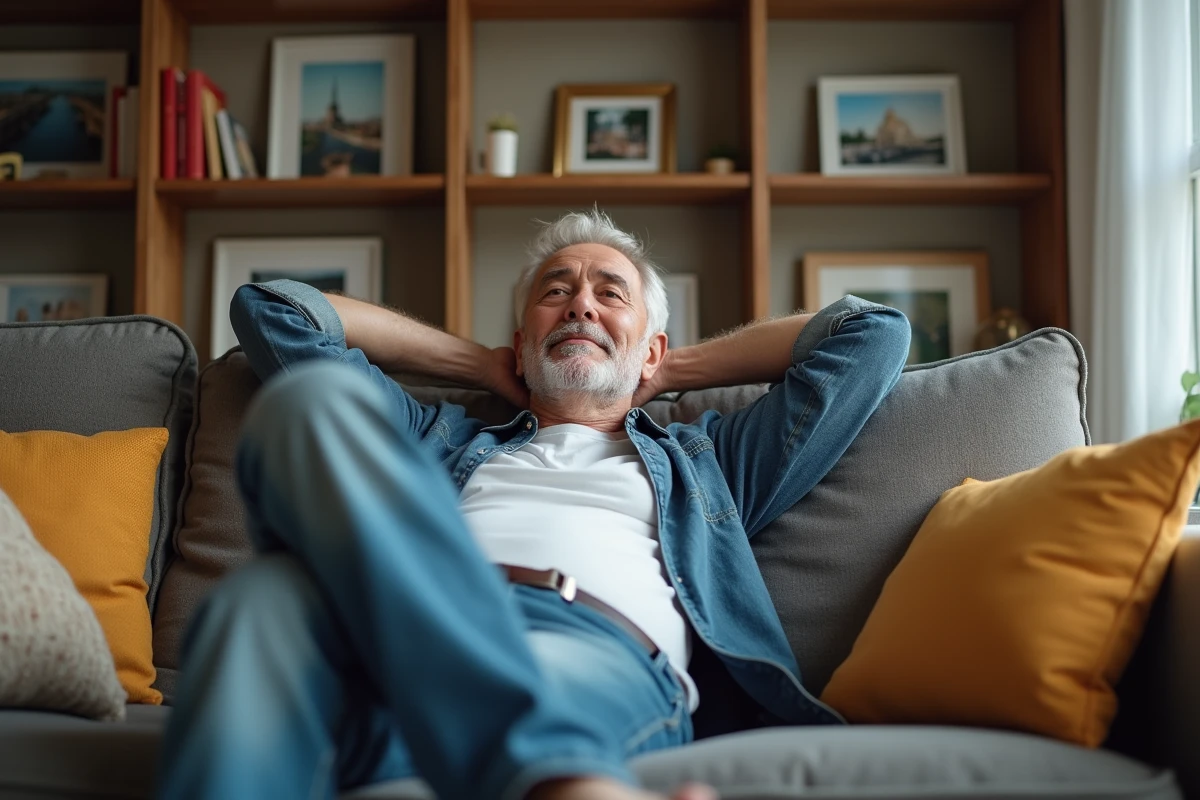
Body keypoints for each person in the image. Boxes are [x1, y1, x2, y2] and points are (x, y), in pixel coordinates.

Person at [156, 208, 911, 800]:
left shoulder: (709, 461)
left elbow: (871, 334)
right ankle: (556, 776)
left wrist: (671, 364)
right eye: (557, 292)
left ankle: (526, 752)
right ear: (520, 345)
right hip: (406, 627)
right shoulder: (439, 435)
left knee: (261, 603)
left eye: (609, 294)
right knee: (308, 423)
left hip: (586, 655)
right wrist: (473, 363)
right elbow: (275, 311)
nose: (580, 304)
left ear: (650, 350)